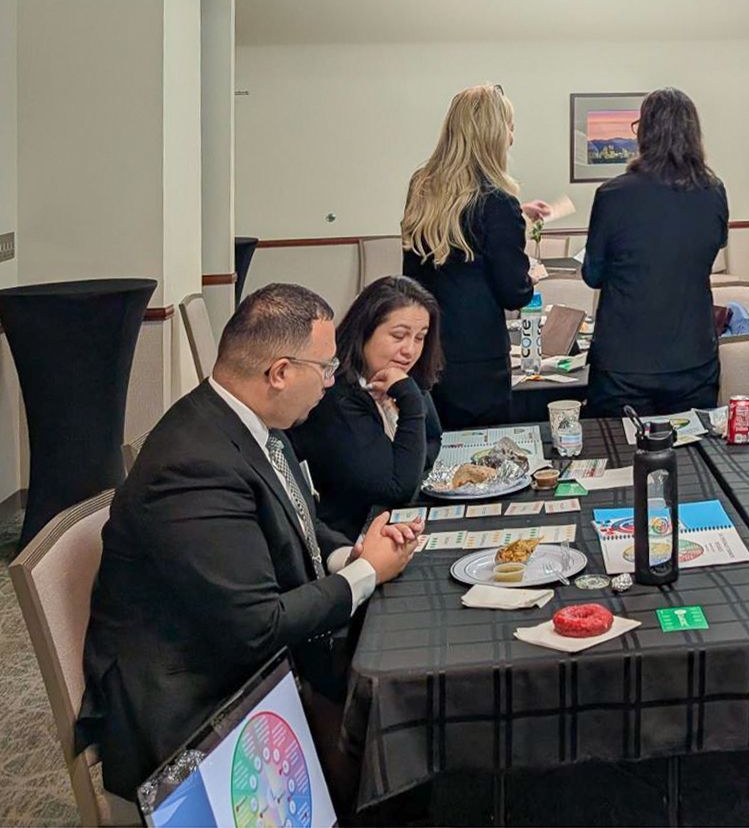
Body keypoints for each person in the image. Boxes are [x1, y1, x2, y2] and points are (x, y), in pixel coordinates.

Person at [77, 284, 423, 803]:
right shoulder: (193, 468)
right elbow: (257, 628)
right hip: (199, 708)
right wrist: (367, 573)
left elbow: (298, 521)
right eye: (325, 369)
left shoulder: (254, 419)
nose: (331, 383)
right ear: (280, 372)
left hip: (250, 664)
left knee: (401, 688)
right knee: (398, 738)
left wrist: (348, 553)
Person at [402, 83, 543, 428]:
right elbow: (514, 293)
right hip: (479, 365)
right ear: (494, 134)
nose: (512, 137)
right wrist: (531, 277)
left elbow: (452, 243)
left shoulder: (423, 187)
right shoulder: (497, 203)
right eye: (509, 127)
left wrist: (513, 217)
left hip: (426, 352)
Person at [582, 87, 728, 415]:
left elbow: (592, 274)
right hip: (694, 358)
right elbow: (709, 253)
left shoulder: (613, 195)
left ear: (644, 133)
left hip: (624, 364)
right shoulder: (714, 191)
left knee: (618, 458)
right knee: (694, 461)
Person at [289, 275, 444, 537]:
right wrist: (409, 399)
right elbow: (399, 490)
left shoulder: (399, 376)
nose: (410, 350)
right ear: (364, 331)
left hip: (387, 525)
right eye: (399, 335)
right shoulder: (336, 394)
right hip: (348, 538)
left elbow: (431, 442)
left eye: (420, 338)